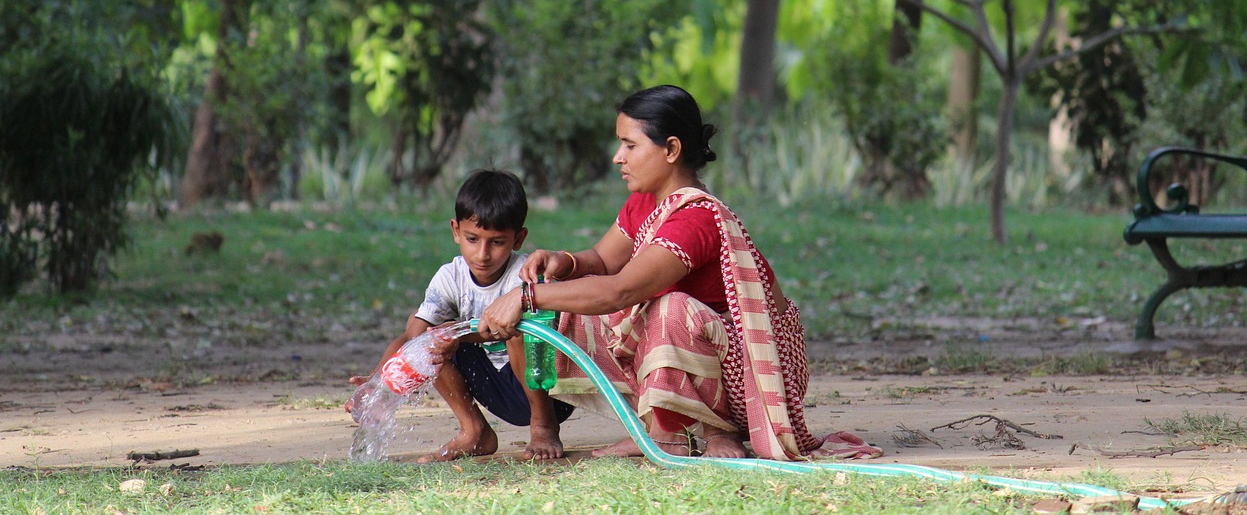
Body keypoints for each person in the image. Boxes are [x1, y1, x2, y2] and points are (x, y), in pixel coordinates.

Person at [477, 85, 881, 461]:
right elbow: (601, 261)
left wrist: (524, 296)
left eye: (629, 145)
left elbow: (619, 291)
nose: (619, 156)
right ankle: (661, 426)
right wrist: (565, 262)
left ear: (671, 149)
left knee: (668, 309)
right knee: (567, 304)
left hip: (750, 376)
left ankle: (709, 430)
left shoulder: (695, 219)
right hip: (707, 356)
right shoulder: (644, 203)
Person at [347, 168, 574, 461]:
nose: (482, 254)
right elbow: (412, 335)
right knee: (430, 340)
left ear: (518, 239)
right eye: (472, 239)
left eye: (497, 242)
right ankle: (475, 431)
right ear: (456, 230)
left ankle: (543, 426)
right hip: (496, 386)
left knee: (520, 328)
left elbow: (505, 330)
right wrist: (378, 383)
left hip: (546, 388)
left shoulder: (524, 275)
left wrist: (460, 336)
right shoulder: (449, 278)